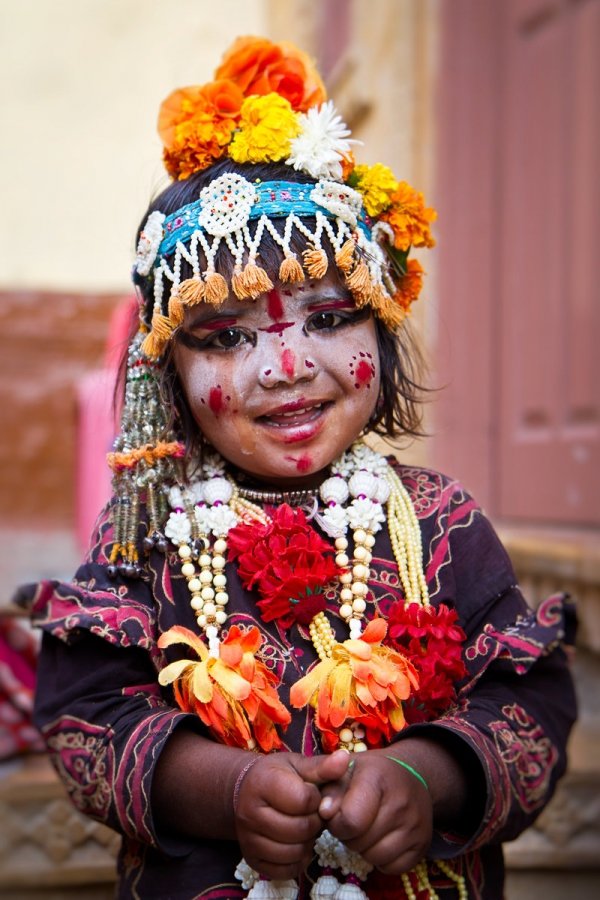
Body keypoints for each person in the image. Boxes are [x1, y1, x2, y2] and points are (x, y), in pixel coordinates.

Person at [27, 36, 576, 900]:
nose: (285, 366)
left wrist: (432, 777)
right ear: (164, 375)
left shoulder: (443, 524)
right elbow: (84, 715)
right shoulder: (149, 543)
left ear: (382, 334)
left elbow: (529, 704)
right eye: (227, 336)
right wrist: (226, 789)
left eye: (326, 318)